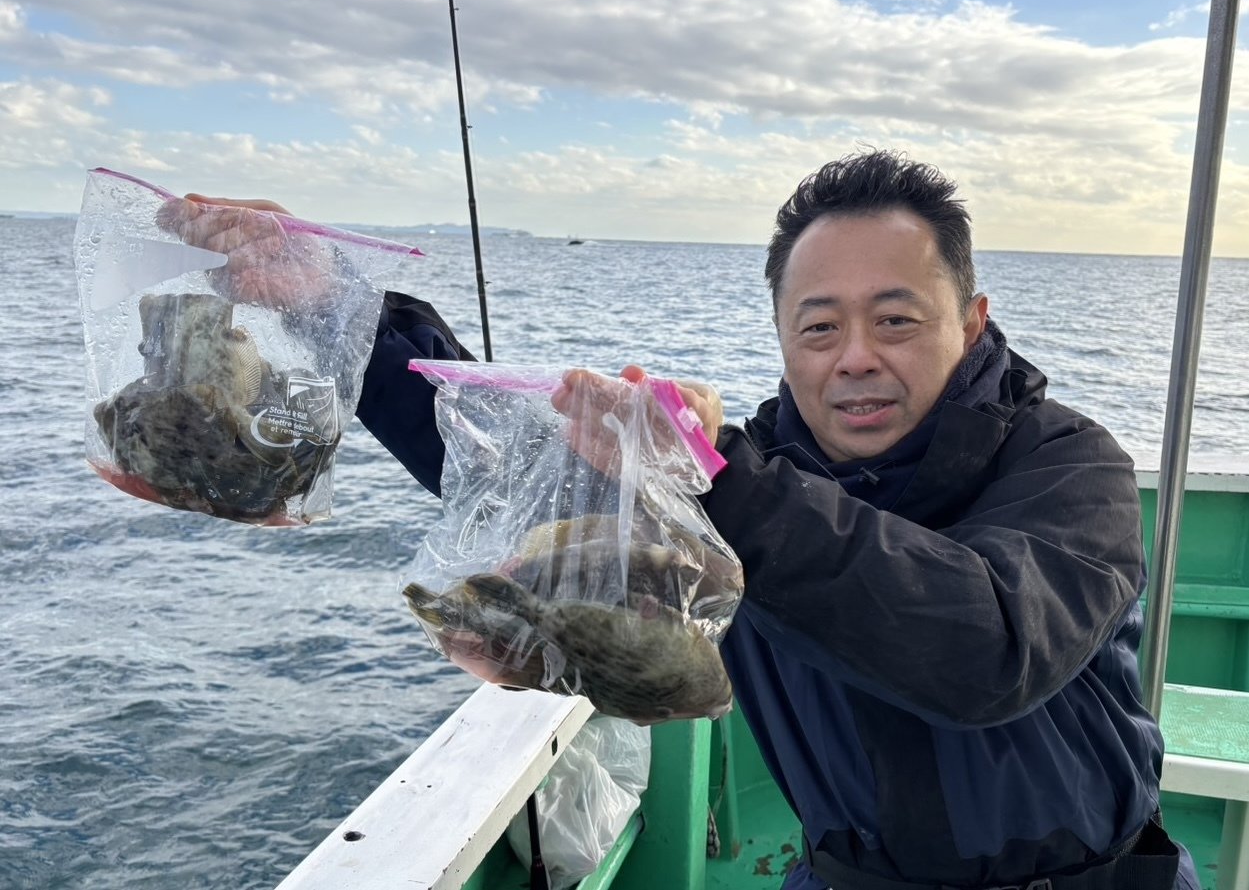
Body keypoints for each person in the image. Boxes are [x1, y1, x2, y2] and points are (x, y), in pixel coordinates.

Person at [162, 150, 1199, 890]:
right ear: (781, 337)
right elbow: (511, 475)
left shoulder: (1066, 466)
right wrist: (338, 309)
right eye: (819, 326)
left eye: (895, 319)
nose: (855, 357)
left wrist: (723, 482)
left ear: (969, 323)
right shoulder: (742, 478)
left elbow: (987, 652)